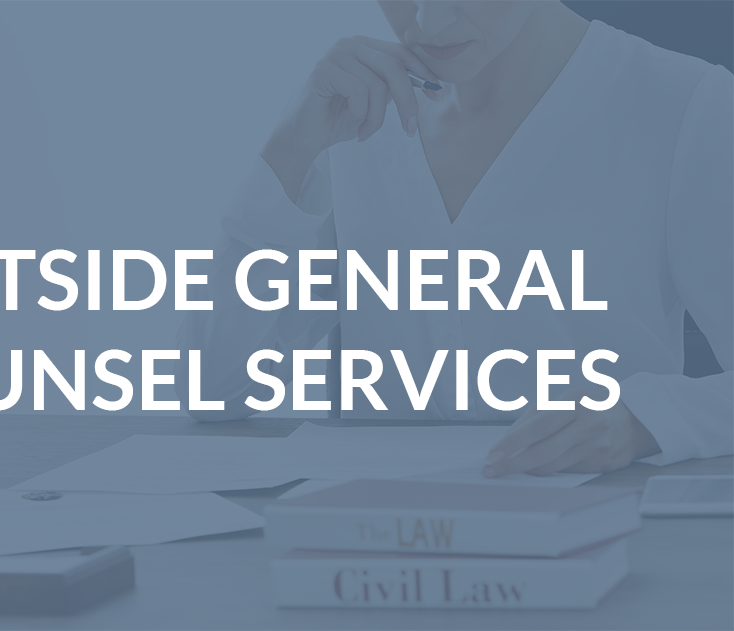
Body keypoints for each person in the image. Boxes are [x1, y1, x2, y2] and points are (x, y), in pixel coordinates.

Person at [176, 0, 734, 477]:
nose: (428, 20)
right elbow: (212, 388)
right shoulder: (352, 112)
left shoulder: (684, 103)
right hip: (372, 543)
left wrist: (643, 421)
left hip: (598, 535)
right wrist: (290, 148)